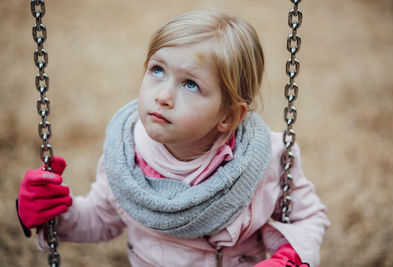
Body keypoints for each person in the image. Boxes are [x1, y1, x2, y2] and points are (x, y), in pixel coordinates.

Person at [17, 9, 329, 267]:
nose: (163, 95)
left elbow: (308, 217)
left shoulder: (267, 158)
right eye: (157, 70)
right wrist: (55, 213)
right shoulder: (126, 155)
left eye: (190, 84)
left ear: (228, 116)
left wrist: (293, 257)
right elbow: (101, 218)